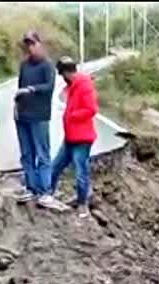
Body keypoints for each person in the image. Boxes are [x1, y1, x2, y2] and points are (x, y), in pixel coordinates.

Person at [14, 30, 64, 210]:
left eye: (32, 43)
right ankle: (31, 187)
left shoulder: (47, 66)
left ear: (39, 44)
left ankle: (45, 191)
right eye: (27, 44)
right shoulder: (24, 65)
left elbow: (49, 86)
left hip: (39, 116)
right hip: (23, 115)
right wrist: (16, 107)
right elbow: (19, 88)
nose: (30, 48)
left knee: (42, 154)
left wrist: (31, 89)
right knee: (27, 154)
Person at [49, 56, 99, 219]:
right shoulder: (73, 85)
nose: (62, 79)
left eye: (62, 75)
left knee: (80, 171)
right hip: (70, 137)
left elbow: (91, 109)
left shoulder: (84, 85)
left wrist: (72, 115)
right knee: (56, 166)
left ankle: (83, 205)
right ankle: (48, 194)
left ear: (66, 73)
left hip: (82, 138)